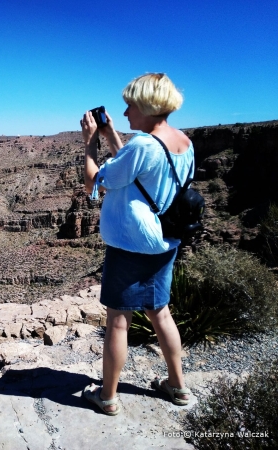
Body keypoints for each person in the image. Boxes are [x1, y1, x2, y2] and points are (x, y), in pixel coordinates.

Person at [80, 73, 192, 415]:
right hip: (165, 242)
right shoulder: (183, 141)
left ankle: (108, 397)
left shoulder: (143, 145)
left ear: (148, 105)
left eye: (130, 105)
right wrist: (110, 133)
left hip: (131, 246)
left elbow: (94, 183)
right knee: (160, 312)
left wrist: (89, 143)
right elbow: (134, 167)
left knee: (118, 321)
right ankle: (177, 386)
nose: (126, 113)